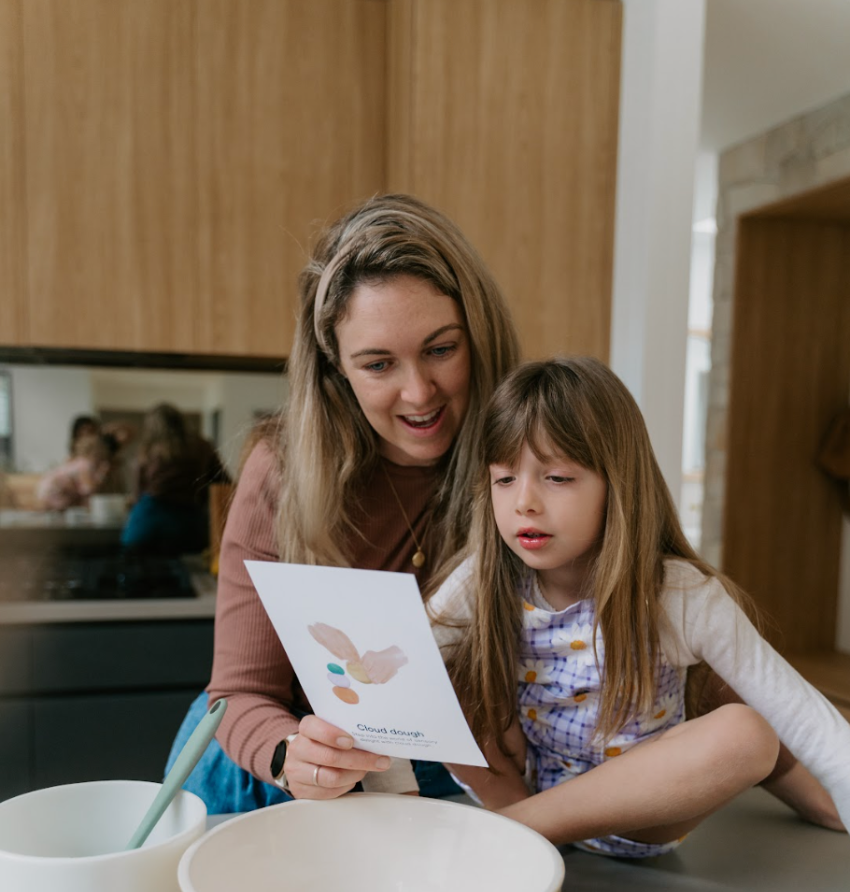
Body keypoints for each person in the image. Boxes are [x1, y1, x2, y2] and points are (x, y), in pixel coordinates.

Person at [163, 193, 522, 811]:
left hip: (447, 783)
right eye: (379, 364)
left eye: (441, 350)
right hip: (271, 779)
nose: (419, 392)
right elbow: (239, 695)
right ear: (337, 370)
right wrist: (287, 752)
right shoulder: (283, 470)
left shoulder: (528, 462)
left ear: (480, 337)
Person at [427, 356, 848, 854]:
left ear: (617, 484)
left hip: (639, 816)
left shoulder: (679, 594)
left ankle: (517, 835)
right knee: (426, 667)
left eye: (557, 477)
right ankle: (523, 828)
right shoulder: (484, 575)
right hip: (523, 792)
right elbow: (397, 675)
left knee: (747, 733)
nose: (524, 503)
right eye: (504, 479)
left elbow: (799, 713)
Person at [121, 403, 230, 556]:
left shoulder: (147, 450)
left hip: (148, 523)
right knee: (187, 574)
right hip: (189, 525)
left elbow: (138, 492)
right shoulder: (202, 445)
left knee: (141, 572)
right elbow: (224, 482)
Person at [37, 429, 121, 511]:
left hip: (45, 491)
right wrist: (102, 473)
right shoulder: (86, 464)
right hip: (55, 492)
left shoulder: (78, 461)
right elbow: (88, 489)